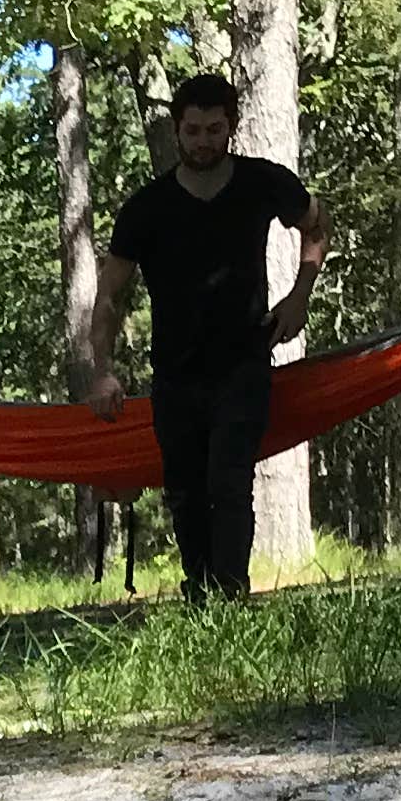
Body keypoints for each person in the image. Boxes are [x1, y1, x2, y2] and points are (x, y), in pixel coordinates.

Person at [85, 75, 329, 600]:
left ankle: (232, 596)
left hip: (244, 362)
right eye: (192, 130)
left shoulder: (264, 183)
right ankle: (200, 595)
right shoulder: (145, 210)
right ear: (177, 130)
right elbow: (108, 297)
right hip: (174, 375)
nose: (202, 141)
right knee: (185, 492)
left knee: (229, 480)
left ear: (232, 128)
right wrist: (102, 368)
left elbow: (315, 224)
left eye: (213, 129)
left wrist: (299, 294)